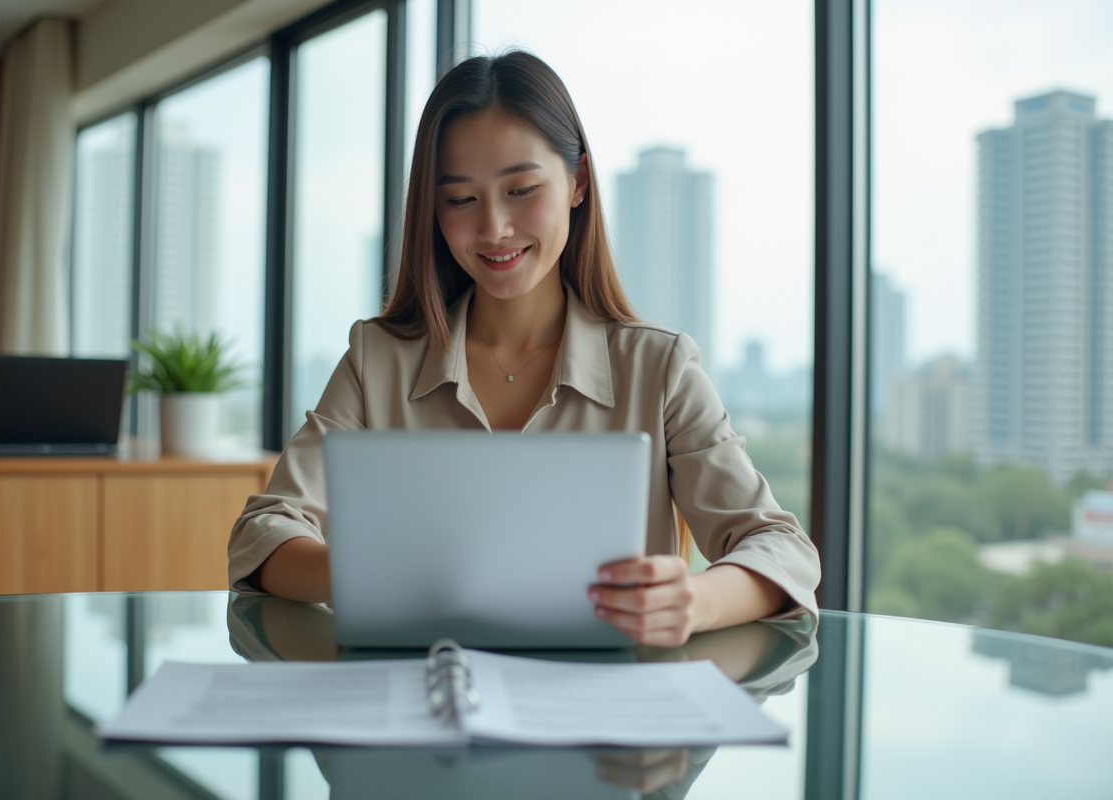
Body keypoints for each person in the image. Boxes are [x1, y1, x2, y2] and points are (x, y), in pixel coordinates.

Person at [229, 51, 820, 647]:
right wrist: (370, 579)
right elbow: (263, 532)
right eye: (460, 200)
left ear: (578, 183)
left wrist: (694, 600)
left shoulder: (658, 368)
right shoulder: (377, 359)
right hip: (417, 704)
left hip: (609, 721)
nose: (493, 229)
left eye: (521, 189)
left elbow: (782, 550)